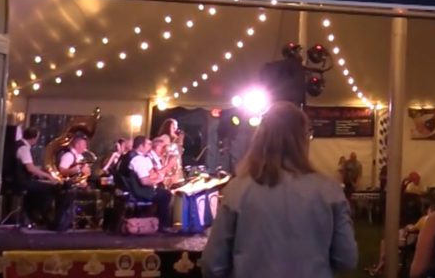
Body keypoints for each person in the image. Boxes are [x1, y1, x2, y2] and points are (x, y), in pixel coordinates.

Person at [202, 102, 357, 278]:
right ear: (303, 139)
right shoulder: (330, 191)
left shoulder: (237, 190)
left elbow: (212, 264)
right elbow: (347, 259)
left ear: (260, 138)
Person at [12, 127, 66, 230]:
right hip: (22, 182)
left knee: (39, 187)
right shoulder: (24, 148)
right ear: (34, 138)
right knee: (50, 189)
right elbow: (30, 168)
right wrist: (48, 176)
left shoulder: (18, 145)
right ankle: (42, 215)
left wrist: (40, 172)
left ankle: (32, 213)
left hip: (18, 180)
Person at [125, 135, 174, 232]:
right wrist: (157, 180)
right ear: (141, 146)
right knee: (166, 195)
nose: (150, 146)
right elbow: (145, 181)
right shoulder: (138, 160)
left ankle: (159, 223)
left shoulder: (136, 157)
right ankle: (163, 225)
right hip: (142, 192)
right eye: (148, 144)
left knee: (164, 192)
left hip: (139, 190)